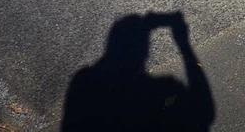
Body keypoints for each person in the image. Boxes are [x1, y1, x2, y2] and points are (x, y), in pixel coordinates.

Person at [61, 12, 215, 131]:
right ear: (145, 50)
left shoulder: (84, 82)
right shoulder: (162, 90)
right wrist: (184, 45)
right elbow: (205, 112)